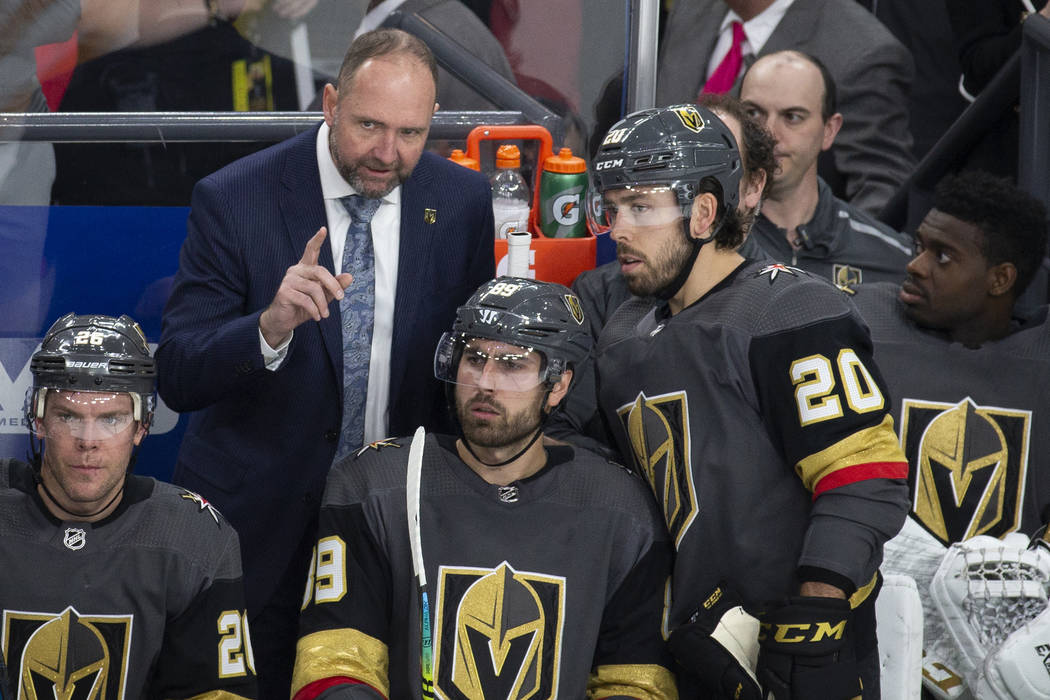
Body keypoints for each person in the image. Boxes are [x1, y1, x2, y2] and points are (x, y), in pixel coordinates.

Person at [156, 28, 494, 698]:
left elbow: (460, 368)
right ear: (331, 102)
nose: (387, 153)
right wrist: (268, 326)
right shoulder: (236, 198)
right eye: (369, 124)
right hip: (256, 529)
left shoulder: (459, 203)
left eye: (411, 133)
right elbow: (178, 372)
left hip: (391, 530)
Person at [589, 104, 910, 698]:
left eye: (639, 208)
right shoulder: (623, 332)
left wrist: (818, 610)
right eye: (610, 209)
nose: (618, 230)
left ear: (704, 212)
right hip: (688, 647)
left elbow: (865, 478)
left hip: (801, 640)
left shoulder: (790, 311)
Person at [292, 277, 677, 699]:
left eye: (512, 364)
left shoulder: (620, 509)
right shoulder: (375, 484)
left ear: (559, 385)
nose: (485, 382)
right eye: (474, 358)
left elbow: (636, 685)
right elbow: (332, 665)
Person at [849, 171, 1050, 696]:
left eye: (942, 256)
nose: (914, 265)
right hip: (869, 625)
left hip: (1009, 651)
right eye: (919, 246)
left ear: (1000, 279)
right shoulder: (860, 325)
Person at [0, 313, 256, 699]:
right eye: (68, 416)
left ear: (141, 426)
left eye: (111, 419)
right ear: (37, 418)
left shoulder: (195, 538)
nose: (88, 440)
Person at [547, 94, 776, 459]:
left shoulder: (786, 306)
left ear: (751, 186)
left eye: (719, 173)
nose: (620, 230)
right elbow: (556, 431)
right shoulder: (600, 296)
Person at [656, 0, 916, 216]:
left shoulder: (861, 52)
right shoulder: (691, 8)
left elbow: (880, 192)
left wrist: (808, 271)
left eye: (793, 117)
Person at [740, 50, 914, 287]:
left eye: (792, 117)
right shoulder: (701, 241)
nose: (769, 134)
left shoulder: (893, 260)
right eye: (753, 113)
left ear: (830, 130)